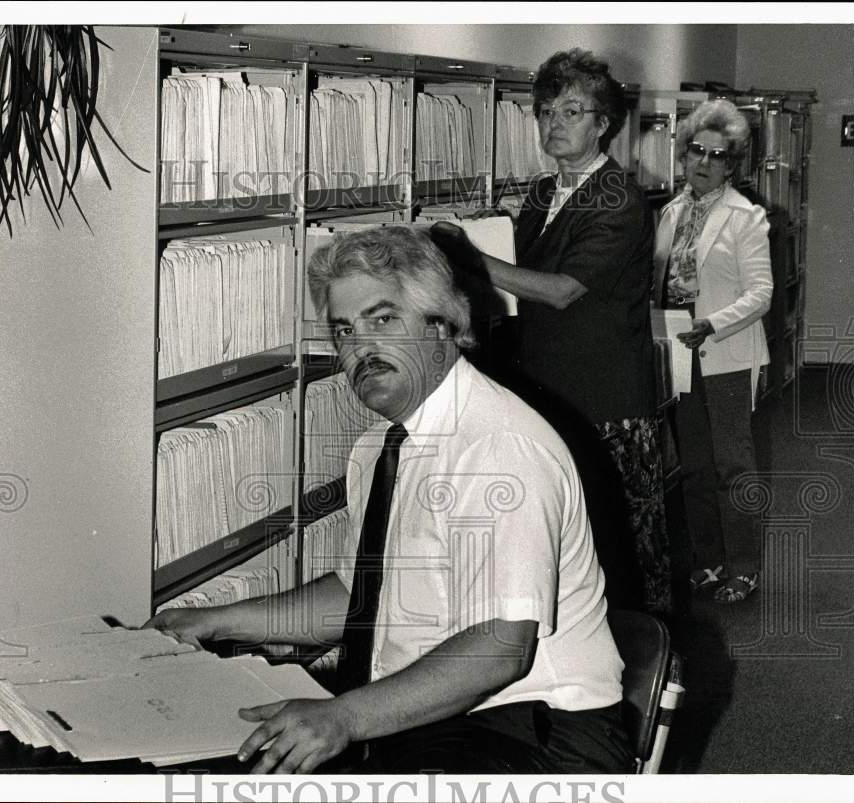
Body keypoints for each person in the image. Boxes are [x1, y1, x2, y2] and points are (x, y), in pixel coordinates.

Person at [146, 225, 631, 774]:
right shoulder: (381, 444)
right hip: (439, 716)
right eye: (344, 331)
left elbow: (500, 647)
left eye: (383, 320)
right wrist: (216, 621)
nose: (361, 350)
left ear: (443, 323)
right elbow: (367, 597)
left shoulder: (497, 447)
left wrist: (344, 719)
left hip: (533, 732)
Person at [431, 48, 671, 616]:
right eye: (546, 113)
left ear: (603, 124)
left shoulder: (620, 200)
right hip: (546, 392)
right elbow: (519, 272)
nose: (554, 125)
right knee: (563, 546)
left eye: (572, 112)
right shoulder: (543, 193)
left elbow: (560, 289)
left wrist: (466, 259)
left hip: (604, 401)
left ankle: (647, 676)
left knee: (621, 549)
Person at [654, 99, 772, 604]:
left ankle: (744, 568)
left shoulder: (747, 218)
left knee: (733, 467)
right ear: (683, 153)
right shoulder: (669, 212)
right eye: (697, 151)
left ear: (732, 164)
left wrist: (713, 324)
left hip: (726, 356)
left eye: (717, 156)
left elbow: (761, 292)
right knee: (695, 468)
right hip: (679, 354)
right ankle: (709, 561)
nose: (704, 162)